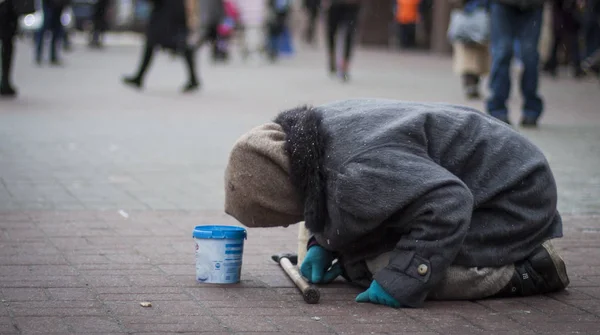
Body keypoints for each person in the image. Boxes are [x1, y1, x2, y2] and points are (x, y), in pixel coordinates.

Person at [224, 98, 569, 309]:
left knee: (383, 265)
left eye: (283, 217)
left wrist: (403, 281)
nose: (288, 222)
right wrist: (325, 242)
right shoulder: (314, 138)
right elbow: (337, 195)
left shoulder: (352, 174)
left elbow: (449, 202)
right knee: (366, 254)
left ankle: (529, 269)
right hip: (489, 177)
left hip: (515, 197)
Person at [486, 0, 545, 127]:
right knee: (502, 52)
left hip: (533, 6)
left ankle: (531, 110)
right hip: (502, 4)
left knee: (530, 55)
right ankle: (497, 108)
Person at [122, 0, 200, 93]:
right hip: (169, 12)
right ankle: (139, 77)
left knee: (174, 43)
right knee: (154, 43)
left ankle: (193, 79)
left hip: (166, 14)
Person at [451, 0, 490, 99]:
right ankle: (470, 84)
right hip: (473, 13)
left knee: (475, 56)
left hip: (476, 14)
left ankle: (472, 84)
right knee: (469, 55)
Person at [542, 0, 584, 78]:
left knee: (570, 37)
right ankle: (552, 64)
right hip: (561, 6)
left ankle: (576, 66)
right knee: (559, 36)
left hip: (569, 7)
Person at [1, 0, 34, 97]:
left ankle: (5, 81)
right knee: (7, 45)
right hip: (7, 9)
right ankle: (5, 81)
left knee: (7, 45)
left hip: (8, 9)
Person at [326, 0, 361, 81]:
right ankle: (332, 57)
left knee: (350, 33)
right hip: (335, 4)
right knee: (331, 33)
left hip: (352, 5)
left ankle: (345, 65)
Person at [36, 0, 69, 65]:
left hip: (58, 5)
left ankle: (52, 56)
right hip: (49, 4)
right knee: (46, 27)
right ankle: (39, 54)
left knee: (56, 30)